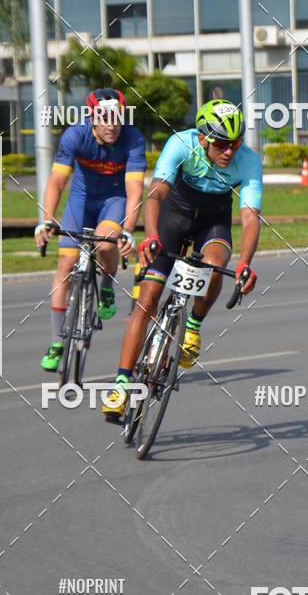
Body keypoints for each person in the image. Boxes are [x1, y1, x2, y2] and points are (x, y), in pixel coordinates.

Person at [102, 98, 262, 422]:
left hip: (213, 220)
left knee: (215, 266)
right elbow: (156, 194)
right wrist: (151, 237)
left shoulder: (248, 161)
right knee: (147, 299)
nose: (229, 150)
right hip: (174, 215)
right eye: (220, 142)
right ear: (202, 137)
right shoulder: (181, 143)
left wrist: (245, 262)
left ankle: (192, 326)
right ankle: (121, 384)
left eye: (235, 142)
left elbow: (249, 218)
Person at [35, 88, 146, 372]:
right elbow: (57, 181)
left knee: (107, 244)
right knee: (65, 264)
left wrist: (129, 230)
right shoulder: (75, 135)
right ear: (92, 116)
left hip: (113, 200)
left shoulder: (133, 139)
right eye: (104, 117)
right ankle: (56, 342)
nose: (111, 124)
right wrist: (47, 219)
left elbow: (134, 190)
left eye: (117, 117)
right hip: (81, 201)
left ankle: (107, 284)